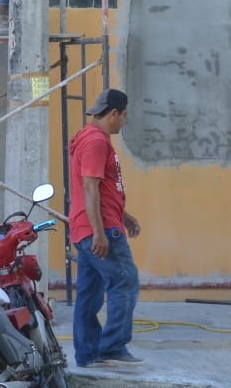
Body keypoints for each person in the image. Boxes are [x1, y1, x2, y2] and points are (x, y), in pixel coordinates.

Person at [67, 87, 143, 368]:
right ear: (113, 113)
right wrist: (100, 232)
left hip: (86, 226)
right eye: (123, 116)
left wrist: (123, 214)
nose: (123, 121)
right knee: (125, 282)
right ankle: (112, 347)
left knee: (89, 293)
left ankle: (88, 355)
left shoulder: (87, 139)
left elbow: (101, 188)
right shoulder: (97, 142)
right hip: (99, 230)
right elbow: (89, 186)